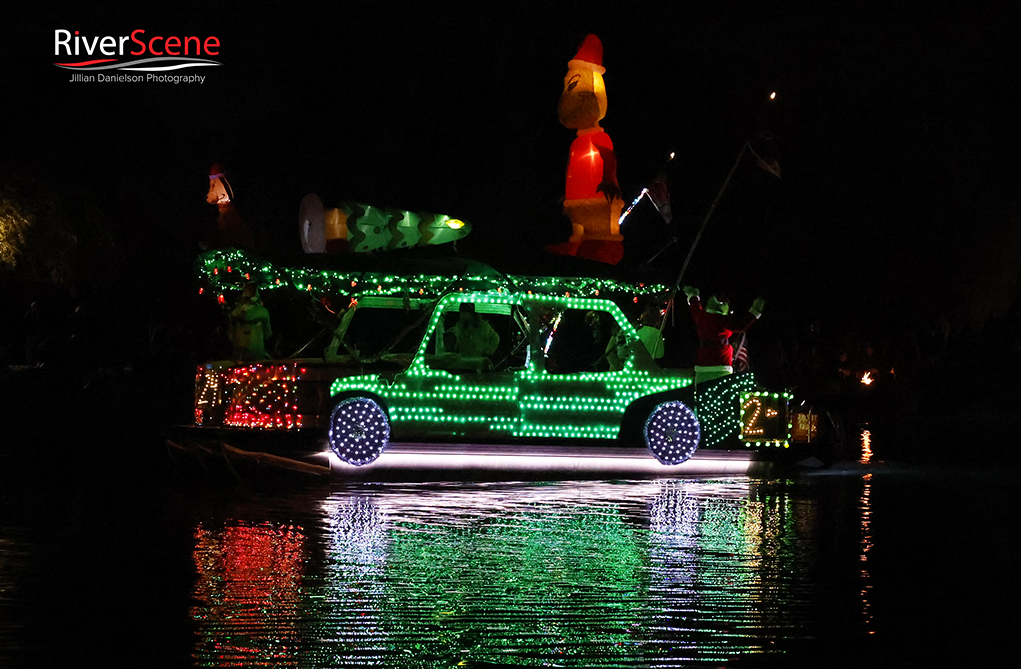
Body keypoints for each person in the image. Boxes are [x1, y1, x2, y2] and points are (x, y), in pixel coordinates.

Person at [683, 286, 764, 385]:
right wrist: (755, 310)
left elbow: (694, 306)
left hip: (703, 361)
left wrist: (693, 294)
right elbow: (741, 325)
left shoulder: (701, 317)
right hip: (721, 361)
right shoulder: (723, 321)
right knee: (722, 390)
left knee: (702, 389)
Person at [230, 283, 272, 361]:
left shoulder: (236, 312)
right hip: (256, 347)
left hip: (240, 345)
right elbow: (267, 332)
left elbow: (231, 331)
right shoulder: (262, 312)